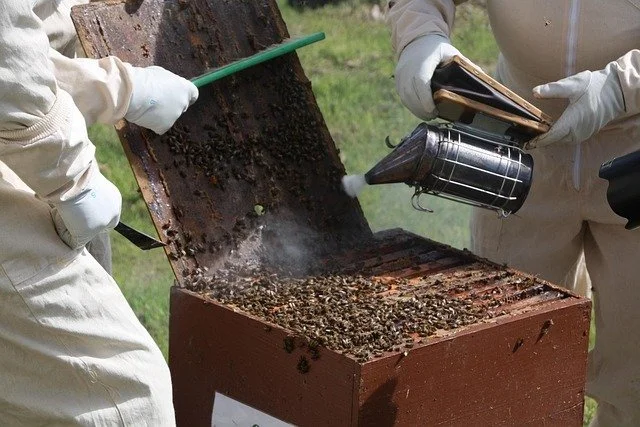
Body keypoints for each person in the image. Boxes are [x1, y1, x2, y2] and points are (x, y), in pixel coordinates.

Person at [386, 1, 640, 426]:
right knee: (510, 362)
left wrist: (620, 87)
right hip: (518, 139)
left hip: (633, 151)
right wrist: (419, 36)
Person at [0, 1, 198, 425]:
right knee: (125, 399)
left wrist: (118, 88)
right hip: (24, 156)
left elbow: (21, 53)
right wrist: (72, 180)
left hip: (26, 140)